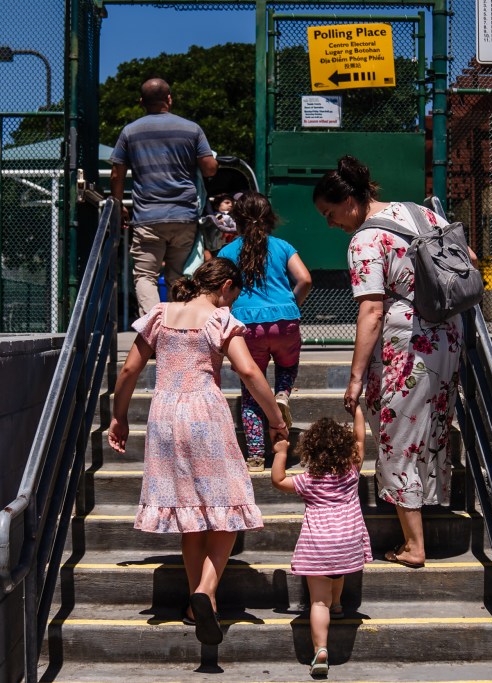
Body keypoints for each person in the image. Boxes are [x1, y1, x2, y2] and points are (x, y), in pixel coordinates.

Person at [107, 257, 289, 646]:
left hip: (164, 416)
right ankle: (206, 590)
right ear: (225, 286)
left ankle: (194, 606)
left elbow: (128, 372)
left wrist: (119, 417)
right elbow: (250, 372)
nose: (232, 305)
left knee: (190, 510)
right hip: (205, 412)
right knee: (230, 500)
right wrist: (275, 417)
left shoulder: (160, 313)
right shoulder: (219, 320)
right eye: (233, 296)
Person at [312, 155, 474, 570]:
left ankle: (414, 545)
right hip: (448, 333)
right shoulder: (419, 211)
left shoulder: (364, 241)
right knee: (427, 425)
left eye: (331, 215)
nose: (331, 224)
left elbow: (370, 312)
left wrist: (354, 378)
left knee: (396, 434)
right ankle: (424, 508)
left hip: (407, 342)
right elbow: (468, 256)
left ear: (349, 200)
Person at [270, 408, 372, 677]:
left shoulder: (308, 480)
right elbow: (361, 439)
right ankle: (337, 604)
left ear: (310, 452)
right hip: (347, 541)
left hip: (319, 544)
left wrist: (281, 452)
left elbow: (278, 480)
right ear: (346, 449)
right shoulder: (351, 472)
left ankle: (321, 650)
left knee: (317, 602)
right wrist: (358, 412)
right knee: (336, 571)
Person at [217, 191, 312, 471]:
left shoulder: (228, 251)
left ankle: (256, 455)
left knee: (251, 392)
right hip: (285, 321)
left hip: (247, 326)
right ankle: (282, 394)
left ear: (236, 220)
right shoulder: (283, 246)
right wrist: (290, 304)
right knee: (287, 365)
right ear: (270, 218)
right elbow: (305, 279)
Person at [109, 78, 218, 316]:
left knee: (146, 276)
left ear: (141, 102)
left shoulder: (129, 131)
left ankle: (152, 327)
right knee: (179, 277)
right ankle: (178, 330)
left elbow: (117, 173)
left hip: (147, 217)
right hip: (184, 216)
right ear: (169, 99)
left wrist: (118, 205)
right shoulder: (192, 129)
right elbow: (209, 168)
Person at [199, 193, 239, 261]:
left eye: (232, 203)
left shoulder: (231, 217)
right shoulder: (211, 218)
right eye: (227, 202)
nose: (230, 205)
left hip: (224, 246)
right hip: (211, 247)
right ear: (217, 206)